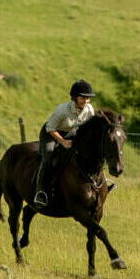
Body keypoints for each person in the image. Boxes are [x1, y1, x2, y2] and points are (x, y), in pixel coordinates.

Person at [32, 79, 96, 209]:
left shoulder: (89, 110)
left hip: (71, 132)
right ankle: (41, 192)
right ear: (75, 97)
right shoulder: (63, 110)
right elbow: (50, 128)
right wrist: (63, 142)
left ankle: (98, 184)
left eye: (88, 98)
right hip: (51, 133)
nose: (86, 101)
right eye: (83, 98)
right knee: (49, 156)